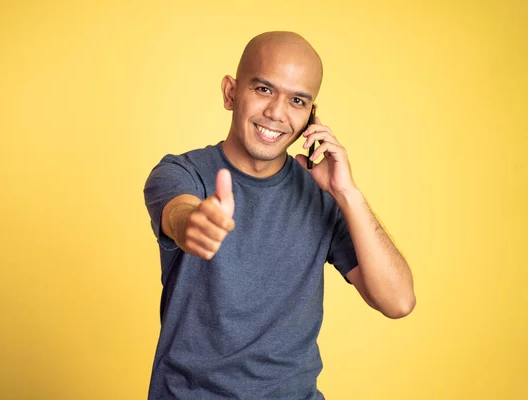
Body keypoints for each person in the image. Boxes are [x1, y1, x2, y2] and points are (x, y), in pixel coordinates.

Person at [143, 31, 416, 400]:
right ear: (230, 92)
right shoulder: (180, 173)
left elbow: (398, 302)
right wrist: (194, 223)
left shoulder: (323, 199)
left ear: (311, 117)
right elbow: (179, 214)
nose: (277, 113)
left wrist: (346, 194)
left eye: (298, 100)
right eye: (263, 89)